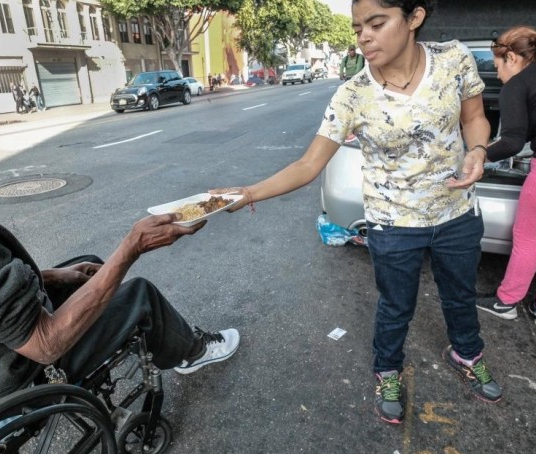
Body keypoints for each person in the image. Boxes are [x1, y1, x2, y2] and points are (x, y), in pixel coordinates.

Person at [0, 25, 239, 422]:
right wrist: (132, 246)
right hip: (10, 380)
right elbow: (46, 344)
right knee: (136, 293)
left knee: (84, 267)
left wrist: (47, 275)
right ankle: (194, 352)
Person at [211, 0, 502, 425]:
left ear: (414, 18)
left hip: (456, 213)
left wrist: (477, 150)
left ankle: (467, 353)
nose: (364, 36)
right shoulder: (353, 94)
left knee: (459, 295)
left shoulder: (453, 59)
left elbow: (475, 118)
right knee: (395, 305)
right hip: (393, 224)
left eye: (377, 23)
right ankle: (387, 370)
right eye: (357, 27)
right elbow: (308, 165)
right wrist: (249, 192)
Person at [475, 27, 536, 330]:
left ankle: (506, 302)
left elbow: (513, 142)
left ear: (513, 58)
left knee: (529, 238)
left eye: (497, 65)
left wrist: (479, 155)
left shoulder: (517, 85)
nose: (499, 73)